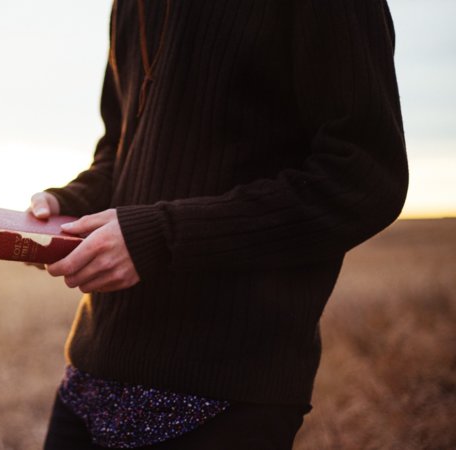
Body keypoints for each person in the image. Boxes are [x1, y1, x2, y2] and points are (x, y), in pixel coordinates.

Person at [29, 0, 408, 449]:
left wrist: (163, 238)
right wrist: (70, 204)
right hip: (92, 378)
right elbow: (121, 148)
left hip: (225, 395)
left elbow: (364, 177)